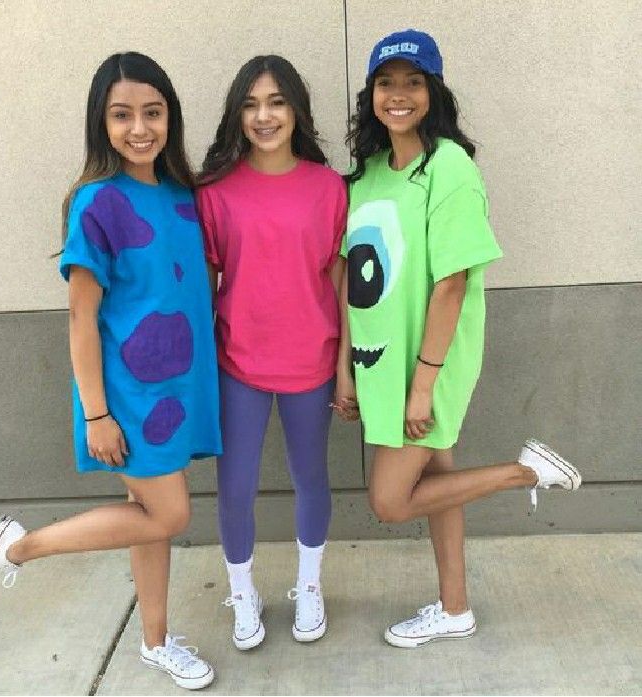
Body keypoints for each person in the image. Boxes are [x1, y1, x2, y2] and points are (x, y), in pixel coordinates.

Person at [0, 52, 220, 690]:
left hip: (179, 386)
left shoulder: (183, 194)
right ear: (99, 124)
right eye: (122, 115)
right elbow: (81, 319)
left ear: (172, 118)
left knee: (148, 516)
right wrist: (98, 413)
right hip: (130, 394)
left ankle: (157, 641)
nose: (140, 128)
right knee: (170, 516)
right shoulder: (96, 202)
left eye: (153, 112)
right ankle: (22, 547)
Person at [334, 29, 581, 648]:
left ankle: (524, 473)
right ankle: (455, 608)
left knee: (391, 501)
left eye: (413, 82)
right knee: (436, 486)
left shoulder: (449, 168)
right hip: (382, 365)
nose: (398, 94)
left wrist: (423, 386)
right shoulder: (364, 177)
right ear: (370, 95)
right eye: (386, 83)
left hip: (429, 366)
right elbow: (350, 280)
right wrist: (346, 371)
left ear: (434, 92)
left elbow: (452, 285)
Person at [196, 55, 347, 649]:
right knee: (235, 487)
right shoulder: (213, 193)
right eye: (252, 103)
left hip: (312, 362)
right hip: (238, 366)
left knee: (313, 478)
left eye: (277, 102)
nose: (264, 115)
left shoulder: (328, 186)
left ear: (297, 111)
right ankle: (242, 593)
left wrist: (345, 373)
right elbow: (204, 287)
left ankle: (309, 587)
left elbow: (340, 286)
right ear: (237, 114)